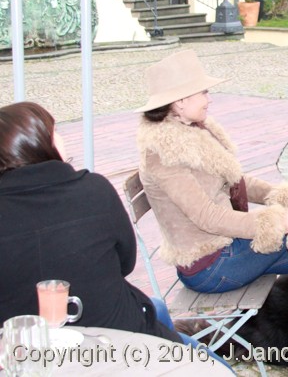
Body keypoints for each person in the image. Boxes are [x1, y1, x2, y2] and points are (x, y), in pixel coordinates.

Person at [136, 49, 288, 377]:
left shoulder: (193, 132)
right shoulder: (164, 154)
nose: (209, 98)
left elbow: (236, 181)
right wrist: (276, 222)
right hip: (208, 265)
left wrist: (279, 194)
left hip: (226, 249)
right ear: (179, 102)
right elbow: (207, 217)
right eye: (203, 91)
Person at [0, 102, 184, 344]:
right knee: (204, 358)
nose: (61, 138)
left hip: (24, 348)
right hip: (117, 338)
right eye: (55, 132)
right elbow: (126, 263)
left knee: (158, 309)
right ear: (40, 143)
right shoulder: (93, 190)